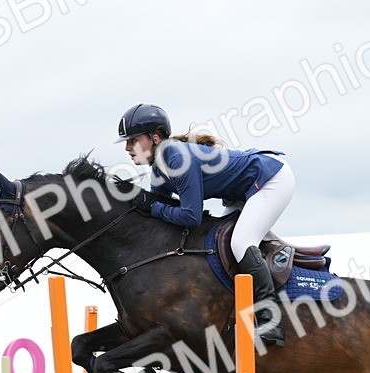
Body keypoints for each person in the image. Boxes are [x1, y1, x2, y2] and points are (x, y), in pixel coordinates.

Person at [115, 103, 293, 348]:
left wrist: (154, 207)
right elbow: (157, 208)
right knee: (218, 245)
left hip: (271, 178)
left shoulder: (177, 157)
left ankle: (270, 320)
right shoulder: (159, 167)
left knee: (241, 242)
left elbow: (190, 216)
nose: (127, 148)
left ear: (154, 138)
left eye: (133, 140)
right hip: (240, 193)